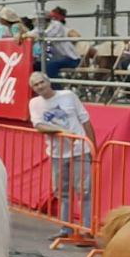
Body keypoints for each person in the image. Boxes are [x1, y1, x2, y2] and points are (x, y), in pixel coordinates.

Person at [28, 70, 95, 240]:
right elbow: (39, 126)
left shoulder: (68, 95)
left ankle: (86, 230)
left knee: (84, 191)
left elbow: (85, 120)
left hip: (80, 150)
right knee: (62, 192)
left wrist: (92, 146)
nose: (39, 86)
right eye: (35, 85)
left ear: (48, 81)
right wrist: (61, 130)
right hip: (57, 154)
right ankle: (66, 229)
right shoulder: (34, 103)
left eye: (41, 82)